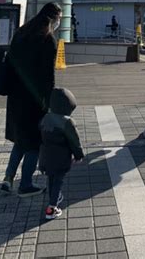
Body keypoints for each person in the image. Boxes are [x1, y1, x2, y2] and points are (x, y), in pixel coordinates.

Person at [1, 2, 62, 197]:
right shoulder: (47, 39)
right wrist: (49, 100)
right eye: (59, 18)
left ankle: (8, 178)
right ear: (54, 18)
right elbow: (47, 75)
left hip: (15, 95)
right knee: (34, 143)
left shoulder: (22, 33)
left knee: (20, 139)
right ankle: (25, 184)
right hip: (35, 98)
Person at [39, 88, 84, 220]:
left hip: (46, 156)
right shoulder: (67, 122)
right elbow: (74, 141)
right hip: (60, 158)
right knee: (58, 180)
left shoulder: (46, 118)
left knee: (51, 179)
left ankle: (53, 198)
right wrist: (79, 155)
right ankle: (52, 208)